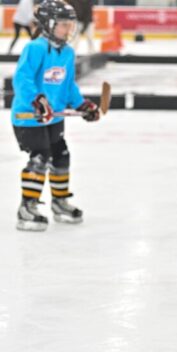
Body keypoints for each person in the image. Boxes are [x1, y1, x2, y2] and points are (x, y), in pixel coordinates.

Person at [10, 0, 100, 231]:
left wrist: (82, 105)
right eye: (63, 24)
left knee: (61, 155)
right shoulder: (35, 48)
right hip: (29, 117)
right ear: (48, 24)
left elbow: (68, 85)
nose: (69, 29)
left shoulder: (67, 52)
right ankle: (26, 207)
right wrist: (37, 100)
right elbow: (23, 79)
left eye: (70, 24)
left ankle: (59, 203)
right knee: (40, 156)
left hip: (54, 118)